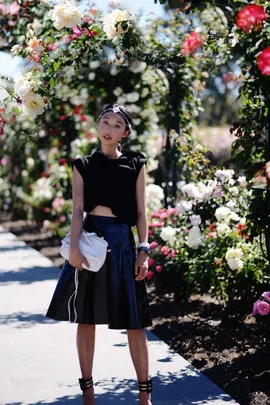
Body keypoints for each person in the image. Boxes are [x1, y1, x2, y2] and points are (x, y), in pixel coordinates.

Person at [46, 103, 153, 405]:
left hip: (122, 242)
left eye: (116, 124)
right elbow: (77, 209)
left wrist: (143, 249)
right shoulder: (83, 164)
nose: (108, 128)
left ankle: (145, 396)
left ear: (125, 133)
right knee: (86, 317)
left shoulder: (135, 163)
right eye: (105, 121)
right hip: (91, 241)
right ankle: (88, 393)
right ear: (97, 125)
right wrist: (75, 249)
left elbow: (143, 211)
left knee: (134, 321)